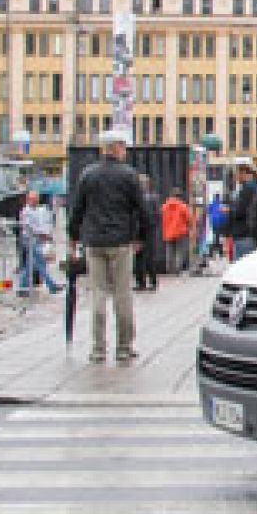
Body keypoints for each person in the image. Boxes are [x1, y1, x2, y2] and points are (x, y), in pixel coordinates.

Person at [67, 129, 150, 363]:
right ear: (115, 148)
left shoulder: (88, 175)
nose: (124, 150)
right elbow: (142, 210)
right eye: (123, 146)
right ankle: (124, 346)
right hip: (121, 241)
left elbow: (77, 209)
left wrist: (73, 238)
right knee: (123, 295)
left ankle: (98, 347)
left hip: (94, 242)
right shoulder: (129, 175)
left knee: (99, 294)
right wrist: (141, 237)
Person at [17, 190, 62, 295]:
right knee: (41, 263)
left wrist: (47, 234)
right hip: (30, 239)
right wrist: (42, 234)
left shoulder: (40, 210)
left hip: (38, 239)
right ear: (28, 199)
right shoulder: (25, 211)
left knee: (30, 264)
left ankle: (22, 287)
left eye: (36, 199)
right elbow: (29, 227)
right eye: (33, 199)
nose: (35, 201)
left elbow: (44, 223)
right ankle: (52, 286)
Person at [133, 174, 162, 291]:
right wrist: (153, 226)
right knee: (150, 257)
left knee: (139, 257)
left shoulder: (136, 198)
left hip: (139, 231)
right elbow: (158, 215)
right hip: (150, 230)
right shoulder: (154, 198)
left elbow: (133, 215)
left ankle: (141, 283)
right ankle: (153, 282)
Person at [230, 164, 257, 260]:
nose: (235, 177)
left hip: (243, 234)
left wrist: (229, 210)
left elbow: (240, 211)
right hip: (252, 233)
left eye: (236, 174)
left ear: (243, 173)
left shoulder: (247, 189)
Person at [161, 188, 192, 275]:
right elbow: (189, 218)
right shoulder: (182, 206)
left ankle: (170, 269)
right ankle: (177, 269)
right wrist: (190, 227)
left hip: (168, 232)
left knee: (169, 251)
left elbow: (160, 217)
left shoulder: (165, 206)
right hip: (180, 231)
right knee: (180, 251)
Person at [206, 193, 229, 262]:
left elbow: (208, 212)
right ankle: (220, 251)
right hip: (221, 223)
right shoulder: (222, 204)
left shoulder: (212, 204)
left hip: (214, 223)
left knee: (216, 236)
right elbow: (225, 213)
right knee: (219, 237)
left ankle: (215, 251)